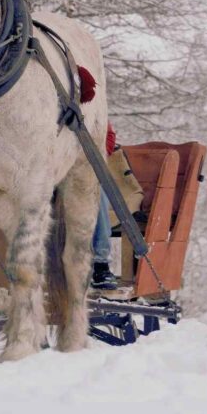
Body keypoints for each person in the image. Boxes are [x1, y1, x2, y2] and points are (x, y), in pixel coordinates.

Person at [91, 123, 120, 291]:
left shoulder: (95, 103)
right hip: (50, 167)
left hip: (84, 165)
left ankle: (100, 264)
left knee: (97, 190)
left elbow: (108, 136)